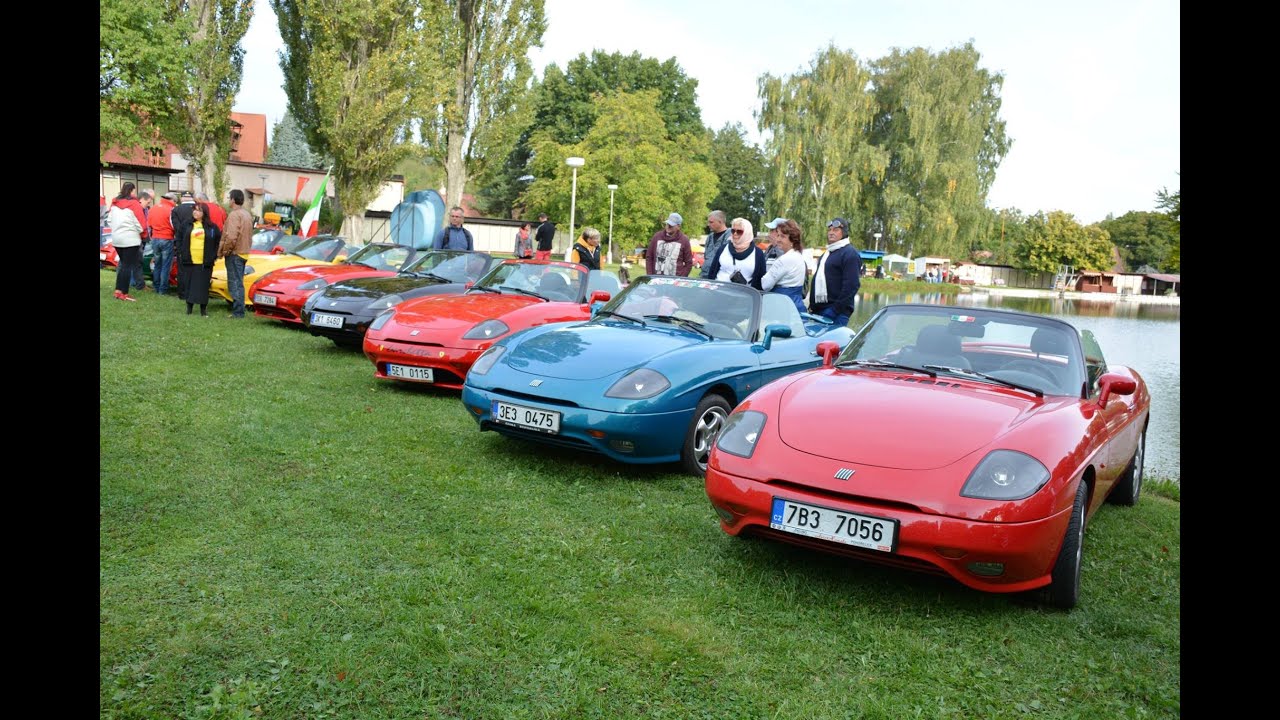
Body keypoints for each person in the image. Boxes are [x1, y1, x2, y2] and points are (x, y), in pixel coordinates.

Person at [808, 217, 863, 327]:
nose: (831, 233)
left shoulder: (849, 254)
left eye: (836, 230)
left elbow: (852, 286)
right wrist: (812, 306)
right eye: (830, 230)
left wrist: (835, 310)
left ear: (844, 232)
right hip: (819, 311)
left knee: (832, 344)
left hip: (837, 313)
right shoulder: (826, 254)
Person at [175, 202, 221, 316]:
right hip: (189, 260)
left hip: (205, 262)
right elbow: (179, 239)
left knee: (203, 285)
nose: (195, 212)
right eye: (194, 210)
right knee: (189, 284)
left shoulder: (212, 227)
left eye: (199, 210)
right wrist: (181, 252)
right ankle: (189, 308)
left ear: (204, 213)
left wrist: (214, 255)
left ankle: (203, 309)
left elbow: (217, 242)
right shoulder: (186, 224)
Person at [107, 183, 149, 302]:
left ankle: (118, 290)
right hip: (131, 239)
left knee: (123, 265)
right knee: (127, 266)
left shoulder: (115, 203)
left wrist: (117, 229)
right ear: (131, 191)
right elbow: (141, 223)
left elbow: (109, 220)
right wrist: (143, 235)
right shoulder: (135, 204)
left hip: (117, 238)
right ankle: (124, 292)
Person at [216, 189, 255, 318]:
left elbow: (231, 236)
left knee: (234, 283)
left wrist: (225, 251)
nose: (229, 200)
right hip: (244, 252)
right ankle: (239, 309)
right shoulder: (247, 214)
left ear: (233, 199)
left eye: (229, 198)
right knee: (239, 282)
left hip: (235, 253)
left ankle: (238, 312)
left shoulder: (234, 215)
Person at [760, 219, 808, 313]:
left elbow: (765, 284)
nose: (778, 239)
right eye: (778, 235)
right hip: (794, 304)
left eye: (783, 236)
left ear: (792, 240)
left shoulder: (784, 260)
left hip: (782, 307)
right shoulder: (798, 256)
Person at [703, 218, 766, 290]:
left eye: (739, 231)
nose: (735, 234)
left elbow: (760, 279)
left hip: (744, 296)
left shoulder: (758, 254)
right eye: (733, 231)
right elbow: (712, 272)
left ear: (747, 233)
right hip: (719, 293)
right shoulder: (723, 249)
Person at [645, 212, 694, 277]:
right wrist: (650, 275)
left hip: (675, 282)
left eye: (671, 225)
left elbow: (689, 263)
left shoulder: (684, 240)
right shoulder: (657, 236)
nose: (668, 226)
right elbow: (649, 257)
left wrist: (681, 278)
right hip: (656, 279)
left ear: (678, 226)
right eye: (667, 224)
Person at [170, 191, 199, 300]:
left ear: (181, 198)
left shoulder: (176, 210)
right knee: (195, 268)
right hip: (196, 241)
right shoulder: (197, 209)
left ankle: (182, 293)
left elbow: (174, 226)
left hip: (181, 242)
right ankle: (194, 291)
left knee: (182, 268)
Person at [147, 192, 177, 295]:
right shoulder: (171, 210)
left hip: (155, 238)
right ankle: (163, 289)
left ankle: (156, 287)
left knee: (157, 264)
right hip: (167, 239)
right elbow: (174, 226)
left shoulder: (153, 208)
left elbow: (149, 224)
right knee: (166, 266)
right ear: (172, 200)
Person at [698, 210, 732, 278]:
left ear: (720, 222)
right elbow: (706, 256)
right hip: (705, 275)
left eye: (711, 222)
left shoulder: (730, 235)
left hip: (719, 277)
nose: (708, 225)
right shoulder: (710, 237)